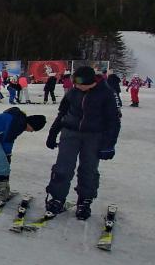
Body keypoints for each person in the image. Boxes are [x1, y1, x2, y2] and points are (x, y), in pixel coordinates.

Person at [44, 65, 121, 220]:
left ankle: (84, 201)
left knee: (89, 170)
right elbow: (62, 113)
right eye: (75, 83)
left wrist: (109, 145)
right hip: (70, 133)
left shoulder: (106, 94)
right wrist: (53, 132)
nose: (76, 86)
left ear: (91, 82)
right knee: (62, 167)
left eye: (80, 84)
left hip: (94, 136)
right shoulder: (73, 92)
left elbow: (113, 121)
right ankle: (57, 198)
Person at [0, 108, 46, 201]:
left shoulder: (18, 119)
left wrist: (7, 154)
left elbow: (6, 137)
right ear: (31, 124)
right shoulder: (19, 123)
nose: (31, 132)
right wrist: (7, 155)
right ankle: (2, 193)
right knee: (2, 164)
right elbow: (8, 140)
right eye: (33, 129)